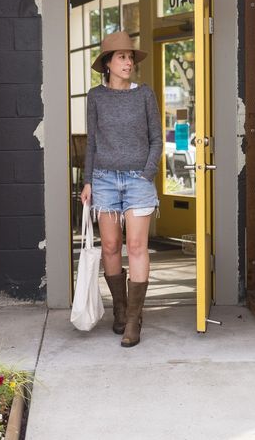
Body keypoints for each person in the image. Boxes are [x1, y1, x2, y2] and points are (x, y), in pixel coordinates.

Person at [80, 30, 163, 347]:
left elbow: (156, 139)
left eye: (130, 57)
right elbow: (93, 142)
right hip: (103, 180)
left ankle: (133, 320)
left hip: (137, 182)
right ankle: (119, 307)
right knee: (112, 247)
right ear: (108, 64)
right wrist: (88, 180)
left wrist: (147, 173)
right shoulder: (95, 97)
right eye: (122, 57)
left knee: (138, 246)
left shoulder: (144, 95)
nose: (128, 62)